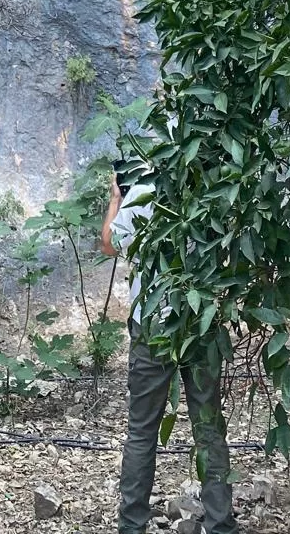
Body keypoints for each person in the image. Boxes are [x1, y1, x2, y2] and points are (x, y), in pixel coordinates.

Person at [102, 168, 238, 534]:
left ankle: (132, 526)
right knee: (209, 427)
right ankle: (221, 525)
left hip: (152, 326)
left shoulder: (143, 191)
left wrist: (116, 198)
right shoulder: (214, 187)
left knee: (142, 431)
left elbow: (110, 244)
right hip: (201, 322)